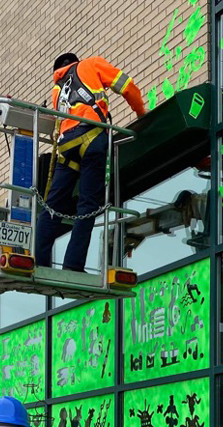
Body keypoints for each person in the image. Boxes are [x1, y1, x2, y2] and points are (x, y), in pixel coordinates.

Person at [35, 52, 147, 272]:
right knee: (87, 205)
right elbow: (126, 86)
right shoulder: (91, 64)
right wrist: (141, 112)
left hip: (66, 147)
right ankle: (72, 264)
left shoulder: (57, 89)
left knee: (53, 206)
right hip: (92, 137)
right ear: (75, 61)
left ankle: (39, 261)